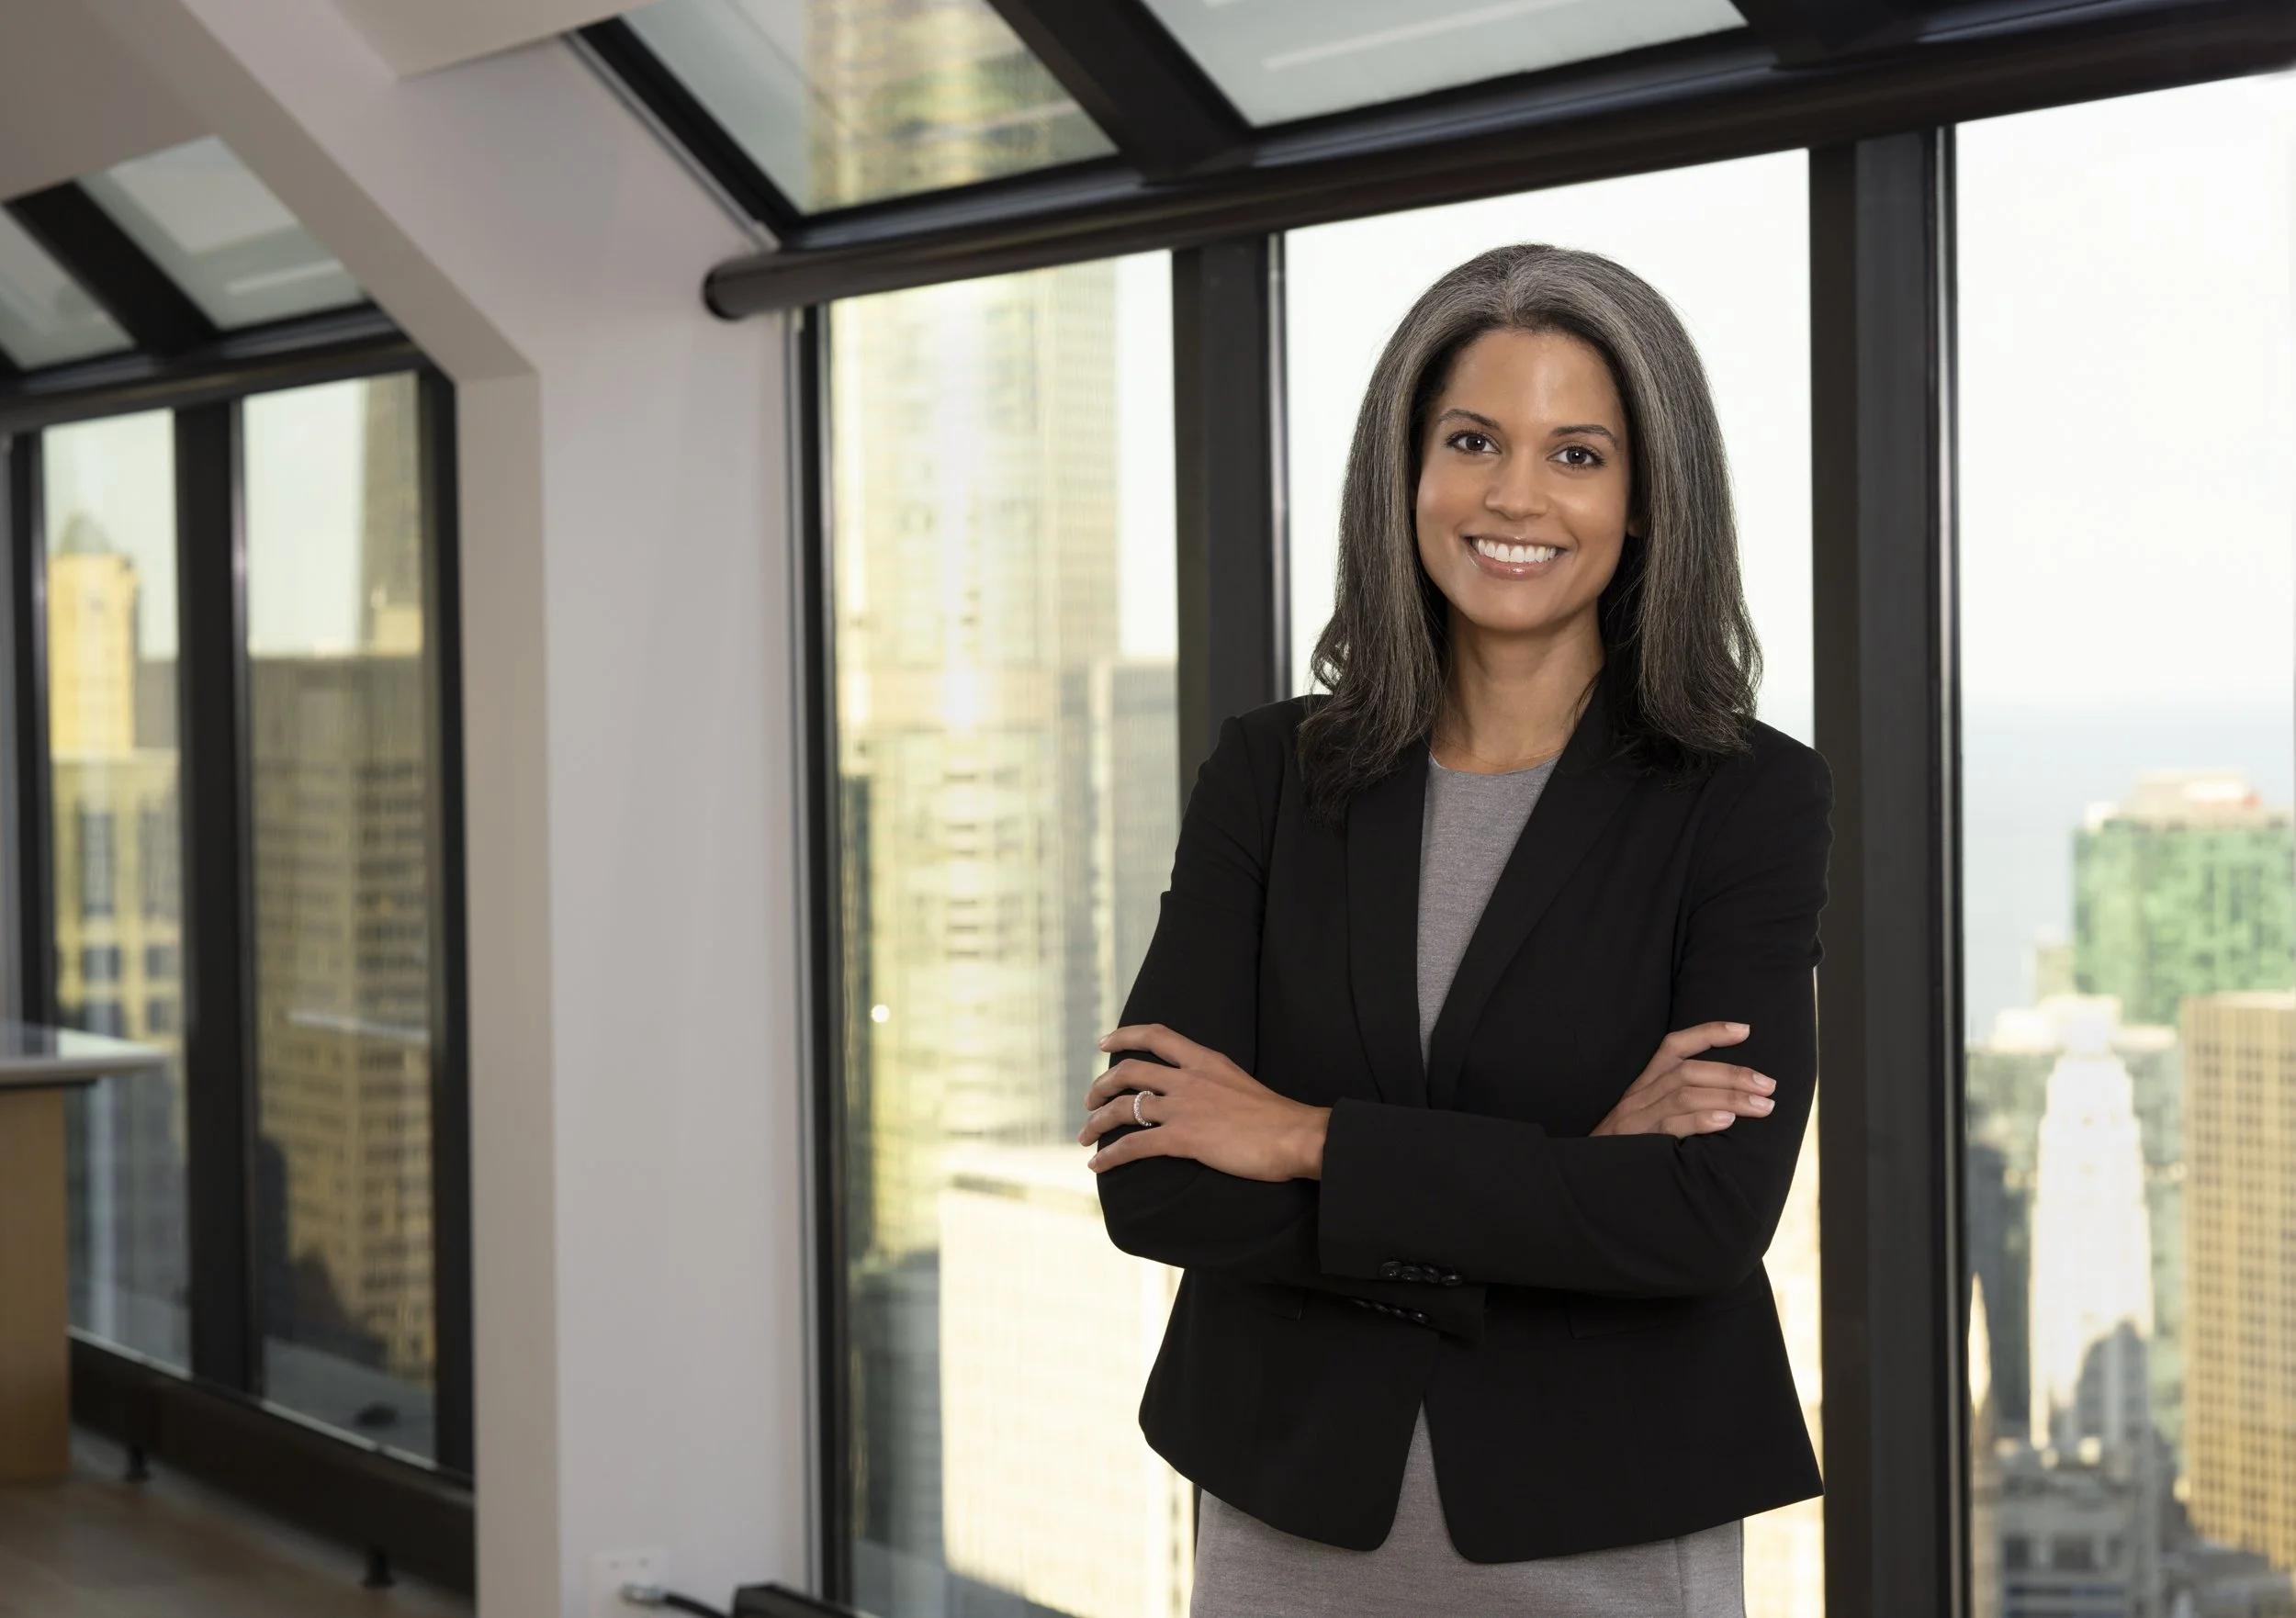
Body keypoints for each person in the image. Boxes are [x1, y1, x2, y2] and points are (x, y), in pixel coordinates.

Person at [1075, 243, 1830, 1616]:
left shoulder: (1748, 798)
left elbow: (1704, 1221)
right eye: (1473, 439)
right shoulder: (1273, 772)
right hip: (1288, 1515)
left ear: (1650, 499)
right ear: (1406, 471)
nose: (1517, 495)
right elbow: (1155, 1169)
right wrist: (1566, 1178)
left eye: (1580, 453)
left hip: (1604, 1521)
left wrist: (1306, 1138)